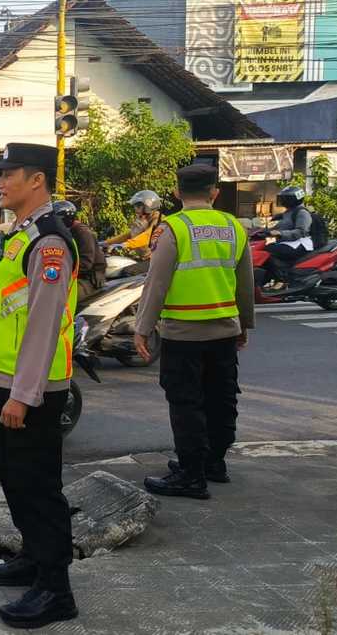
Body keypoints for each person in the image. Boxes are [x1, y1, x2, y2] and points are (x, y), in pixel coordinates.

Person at [0, 143, 79, 629]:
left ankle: (56, 590)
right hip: (6, 378)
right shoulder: (19, 236)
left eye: (8, 174)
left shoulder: (49, 243)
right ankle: (32, 559)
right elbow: (3, 309)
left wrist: (22, 394)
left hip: (34, 389)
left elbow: (42, 324)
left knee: (39, 488)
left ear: (37, 180)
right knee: (15, 479)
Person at [134, 163, 254, 500]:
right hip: (224, 332)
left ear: (176, 193)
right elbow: (245, 283)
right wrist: (244, 325)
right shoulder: (233, 226)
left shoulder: (173, 228)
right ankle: (213, 462)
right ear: (215, 192)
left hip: (182, 334)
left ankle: (190, 474)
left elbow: (156, 283)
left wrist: (142, 328)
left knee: (186, 402)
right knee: (221, 398)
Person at [263, 186, 313, 289]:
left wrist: (280, 233)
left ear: (295, 199)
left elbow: (301, 232)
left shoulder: (302, 213)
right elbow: (279, 227)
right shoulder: (288, 212)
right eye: (283, 198)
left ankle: (282, 280)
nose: (283, 201)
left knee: (268, 251)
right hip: (289, 242)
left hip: (300, 243)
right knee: (264, 249)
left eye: (286, 198)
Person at [55, 200, 104, 301]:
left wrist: (63, 271)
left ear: (65, 219)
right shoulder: (65, 233)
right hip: (76, 276)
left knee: (61, 298)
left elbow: (85, 263)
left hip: (89, 279)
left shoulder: (82, 232)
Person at [105, 189, 163, 258]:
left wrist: (125, 244)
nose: (135, 208)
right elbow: (129, 235)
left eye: (138, 206)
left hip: (158, 259)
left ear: (148, 206)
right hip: (146, 258)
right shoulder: (145, 218)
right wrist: (106, 243)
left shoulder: (159, 220)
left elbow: (148, 236)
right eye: (135, 206)